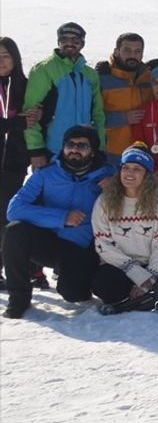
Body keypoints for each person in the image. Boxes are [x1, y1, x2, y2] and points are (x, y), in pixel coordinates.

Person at [2, 126, 112, 318]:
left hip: (84, 247)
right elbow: (14, 209)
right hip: (51, 242)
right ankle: (18, 300)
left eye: (82, 145)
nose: (74, 149)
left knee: (73, 294)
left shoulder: (109, 175)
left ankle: (82, 279)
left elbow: (140, 193)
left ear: (93, 150)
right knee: (15, 231)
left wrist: (117, 188)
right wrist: (61, 217)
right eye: (70, 144)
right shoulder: (45, 173)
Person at [89, 145, 158, 304]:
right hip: (119, 265)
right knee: (103, 286)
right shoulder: (105, 201)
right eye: (126, 168)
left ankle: (147, 293)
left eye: (137, 169)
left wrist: (150, 278)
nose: (129, 173)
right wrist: (137, 274)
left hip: (151, 263)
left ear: (147, 175)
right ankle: (142, 297)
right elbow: (103, 245)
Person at [23, 22, 105, 170]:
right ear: (58, 42)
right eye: (64, 39)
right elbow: (30, 113)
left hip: (84, 151)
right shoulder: (44, 70)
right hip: (52, 151)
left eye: (75, 40)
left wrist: (100, 147)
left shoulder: (89, 74)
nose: (70, 43)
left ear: (82, 44)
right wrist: (36, 150)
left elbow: (98, 114)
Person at [96, 32, 151, 161]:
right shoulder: (101, 79)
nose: (132, 55)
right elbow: (91, 117)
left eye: (137, 51)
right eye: (127, 51)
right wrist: (123, 118)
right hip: (110, 154)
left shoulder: (149, 78)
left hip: (142, 153)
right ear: (116, 51)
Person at [0, 38, 31, 240]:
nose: (1, 61)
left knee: (7, 215)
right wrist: (17, 122)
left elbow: (37, 121)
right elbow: (22, 122)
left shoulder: (25, 86)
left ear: (15, 58)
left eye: (5, 56)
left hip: (14, 163)